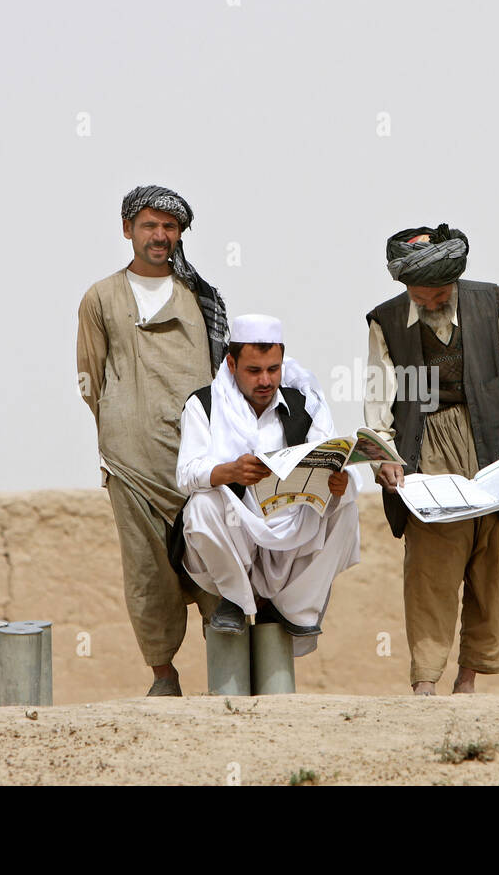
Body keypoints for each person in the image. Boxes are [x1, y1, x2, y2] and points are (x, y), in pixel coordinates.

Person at [364, 224, 499, 695]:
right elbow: (378, 397)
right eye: (422, 297)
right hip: (426, 444)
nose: (431, 303)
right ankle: (425, 681)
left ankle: (468, 679)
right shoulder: (386, 321)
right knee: (432, 562)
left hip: (492, 441)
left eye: (439, 294)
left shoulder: (491, 302)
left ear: (454, 282)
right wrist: (383, 455)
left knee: (494, 561)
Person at [76, 184, 230, 697]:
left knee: (215, 556)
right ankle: (163, 675)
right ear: (127, 230)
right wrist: (122, 423)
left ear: (180, 233)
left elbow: (220, 380)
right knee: (146, 569)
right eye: (149, 225)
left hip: (198, 461)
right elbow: (89, 378)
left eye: (169, 227)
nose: (159, 235)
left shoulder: (201, 298)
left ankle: (228, 679)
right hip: (131, 462)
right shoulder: (101, 297)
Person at [175, 314, 361, 656]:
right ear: (231, 364)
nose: (265, 380)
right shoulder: (204, 405)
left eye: (273, 369)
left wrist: (337, 480)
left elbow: (329, 454)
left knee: (348, 498)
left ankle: (295, 608)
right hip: (235, 533)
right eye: (254, 370)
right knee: (201, 506)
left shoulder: (305, 403)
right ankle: (234, 599)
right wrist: (229, 471)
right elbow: (186, 474)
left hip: (289, 529)